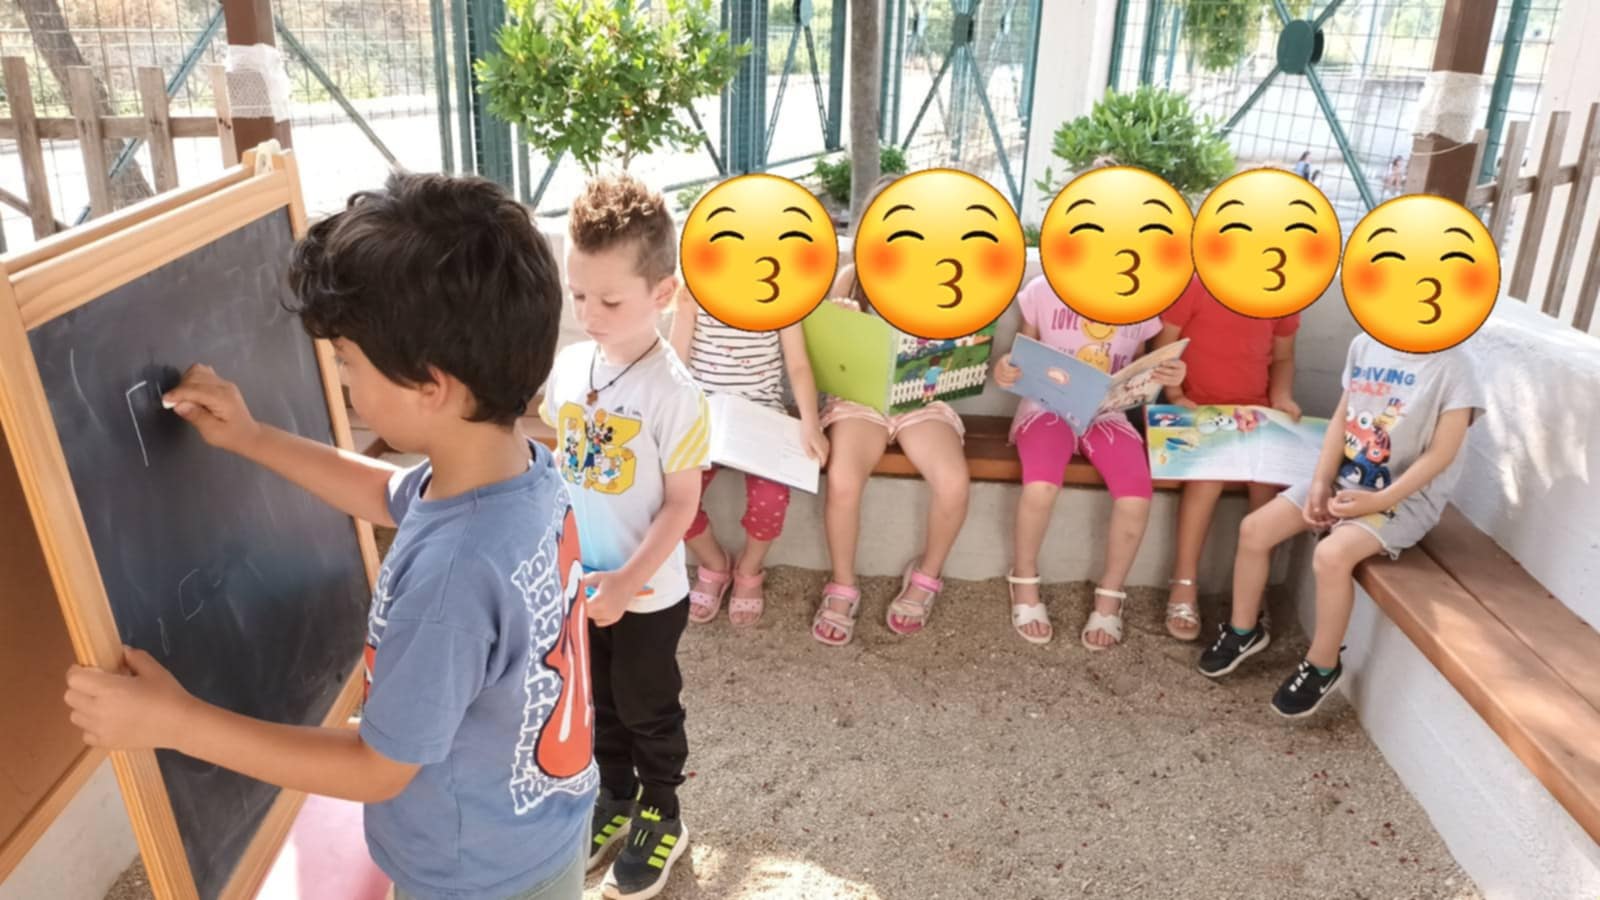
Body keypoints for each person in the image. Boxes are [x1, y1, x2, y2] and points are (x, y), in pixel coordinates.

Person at [64, 172, 591, 899]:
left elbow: (376, 768)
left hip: (476, 881)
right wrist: (252, 437)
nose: (342, 379)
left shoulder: (451, 580)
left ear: (431, 385)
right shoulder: (518, 471)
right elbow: (383, 493)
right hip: (529, 832)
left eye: (348, 360)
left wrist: (176, 721)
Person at [544, 173, 704, 898]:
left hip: (647, 593)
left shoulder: (675, 393)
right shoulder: (569, 367)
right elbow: (561, 463)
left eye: (609, 301)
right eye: (578, 295)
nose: (589, 314)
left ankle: (663, 814)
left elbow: (681, 506)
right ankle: (613, 797)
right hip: (581, 583)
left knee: (647, 706)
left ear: (662, 293)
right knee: (596, 703)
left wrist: (627, 581)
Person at [1198, 332, 1484, 717]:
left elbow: (1442, 453)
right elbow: (1341, 420)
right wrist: (1320, 481)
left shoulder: (1455, 366)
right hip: (1344, 481)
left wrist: (1380, 500)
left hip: (1405, 500)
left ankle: (1322, 664)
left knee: (1331, 555)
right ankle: (1243, 630)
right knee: (1255, 529)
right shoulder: (1365, 344)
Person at [812, 177, 971, 646]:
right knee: (843, 481)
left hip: (921, 401)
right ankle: (843, 583)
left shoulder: (946, 280)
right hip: (860, 399)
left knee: (954, 481)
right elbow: (828, 359)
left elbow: (959, 355)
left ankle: (927, 576)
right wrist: (842, 323)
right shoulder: (851, 277)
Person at [993, 277, 1186, 647]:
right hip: (1046, 409)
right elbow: (1020, 358)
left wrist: (1168, 376)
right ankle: (1024, 578)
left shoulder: (1140, 302)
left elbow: (1140, 371)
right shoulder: (1042, 291)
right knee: (1041, 486)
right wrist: (1006, 369)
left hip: (1107, 415)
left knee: (1136, 495)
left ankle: (1110, 596)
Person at [669, 282, 828, 627]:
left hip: (763, 418)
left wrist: (811, 422)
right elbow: (676, 360)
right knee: (673, 494)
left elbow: (798, 365)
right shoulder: (695, 291)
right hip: (704, 416)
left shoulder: (783, 296)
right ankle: (714, 563)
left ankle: (749, 568)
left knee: (771, 499)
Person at [1153, 274, 1302, 641]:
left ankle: (1252, 589)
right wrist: (1176, 396)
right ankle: (1183, 583)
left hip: (1256, 414)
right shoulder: (1194, 284)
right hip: (1195, 409)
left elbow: (1283, 356)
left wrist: (1282, 397)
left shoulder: (1284, 294)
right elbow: (1164, 348)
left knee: (1266, 484)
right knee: (1207, 478)